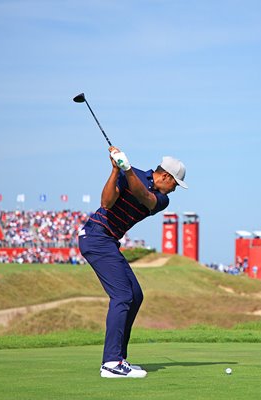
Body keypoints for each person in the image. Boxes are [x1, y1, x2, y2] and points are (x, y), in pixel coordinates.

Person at [78, 146, 187, 378]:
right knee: (122, 296)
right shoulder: (131, 173)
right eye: (175, 184)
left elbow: (144, 197)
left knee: (135, 295)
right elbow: (106, 203)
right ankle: (111, 363)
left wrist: (126, 170)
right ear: (165, 176)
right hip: (96, 237)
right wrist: (115, 170)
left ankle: (119, 358)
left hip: (107, 241)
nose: (175, 189)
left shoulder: (161, 199)